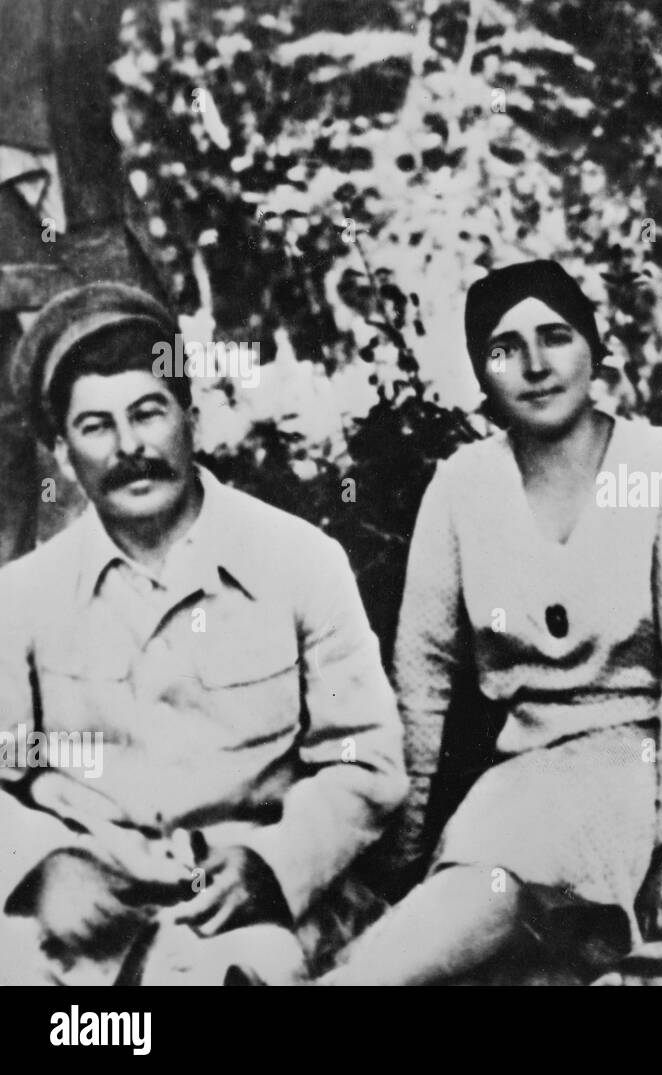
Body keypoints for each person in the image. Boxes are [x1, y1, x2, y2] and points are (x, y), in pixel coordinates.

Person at [321, 260, 662, 985]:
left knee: (495, 878)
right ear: (483, 374)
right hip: (524, 770)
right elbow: (420, 677)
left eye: (556, 335)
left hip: (643, 758)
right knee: (467, 886)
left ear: (593, 347)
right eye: (505, 348)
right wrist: (403, 848)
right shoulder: (462, 485)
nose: (537, 365)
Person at [0, 283, 407, 986]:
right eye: (95, 426)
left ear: (191, 417)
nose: (129, 447)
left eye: (148, 412)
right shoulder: (24, 596)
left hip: (241, 903)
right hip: (83, 902)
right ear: (63, 453)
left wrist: (276, 863)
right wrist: (40, 867)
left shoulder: (299, 561)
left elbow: (366, 760)